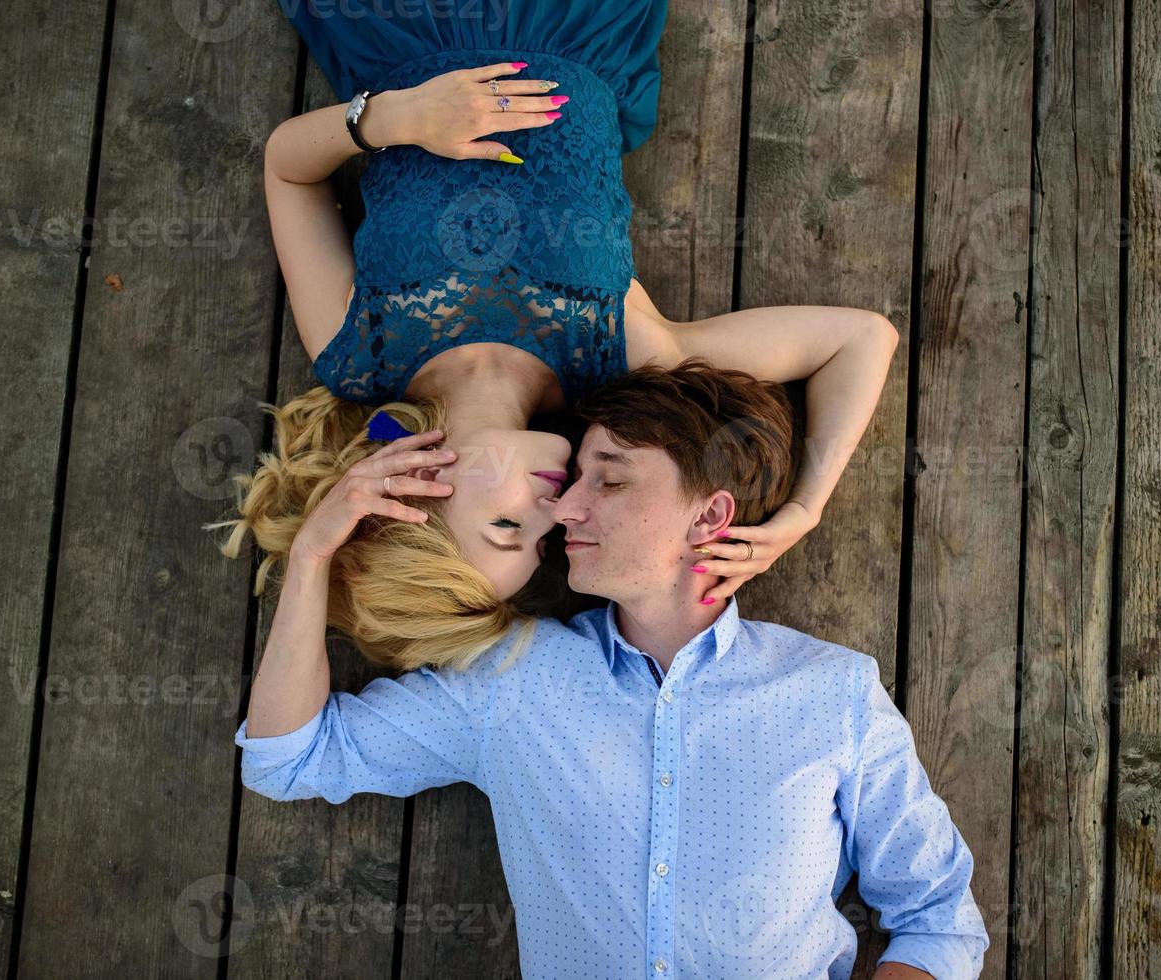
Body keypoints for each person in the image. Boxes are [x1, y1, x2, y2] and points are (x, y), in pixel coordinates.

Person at [233, 361, 989, 979]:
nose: (566, 510)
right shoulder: (511, 683)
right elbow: (287, 756)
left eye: (612, 481)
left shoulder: (833, 694)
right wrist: (313, 553)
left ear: (709, 517)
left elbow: (938, 919)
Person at [207, 0, 900, 672]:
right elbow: (860, 340)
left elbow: (287, 167)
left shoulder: (359, 350)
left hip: (400, 28)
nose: (559, 509)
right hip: (578, 22)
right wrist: (805, 510)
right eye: (545, 543)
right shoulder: (615, 353)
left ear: (415, 488)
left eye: (509, 528)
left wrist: (393, 117)